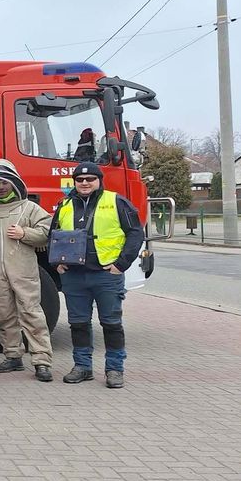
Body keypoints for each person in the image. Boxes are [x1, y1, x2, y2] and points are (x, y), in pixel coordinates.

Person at [52, 162, 143, 388]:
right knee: (78, 324)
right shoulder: (64, 204)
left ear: (99, 180)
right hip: (74, 275)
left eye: (90, 179)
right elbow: (53, 235)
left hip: (106, 275)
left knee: (111, 324)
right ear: (74, 182)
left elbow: (135, 234)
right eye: (80, 180)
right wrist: (56, 262)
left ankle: (114, 369)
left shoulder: (116, 201)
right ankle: (82, 367)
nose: (84, 183)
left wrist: (121, 265)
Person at [0, 160, 55, 382]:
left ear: (14, 183)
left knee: (31, 313)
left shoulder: (29, 208)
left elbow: (47, 230)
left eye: (4, 182)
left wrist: (24, 233)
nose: (1, 187)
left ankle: (42, 360)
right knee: (3, 315)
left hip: (24, 271)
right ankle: (13, 356)